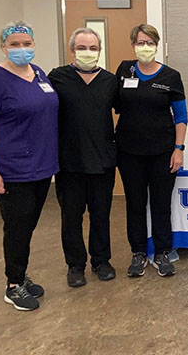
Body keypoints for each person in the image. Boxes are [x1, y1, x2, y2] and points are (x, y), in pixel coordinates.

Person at [0, 21, 58, 311]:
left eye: (26, 43)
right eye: (14, 44)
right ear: (3, 46)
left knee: (28, 226)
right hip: (12, 170)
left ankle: (22, 274)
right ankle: (14, 284)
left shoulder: (39, 73)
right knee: (17, 228)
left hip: (40, 166)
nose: (21, 49)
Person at [48, 28, 119, 288]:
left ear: (100, 51)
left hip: (102, 160)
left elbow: (126, 112)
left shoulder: (110, 81)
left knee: (101, 215)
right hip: (69, 162)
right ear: (72, 50)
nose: (87, 53)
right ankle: (75, 265)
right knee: (71, 216)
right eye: (82, 48)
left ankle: (101, 261)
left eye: (93, 48)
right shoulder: (57, 78)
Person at [115, 24, 187, 278]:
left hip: (162, 151)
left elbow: (181, 117)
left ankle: (162, 252)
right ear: (133, 44)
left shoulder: (171, 76)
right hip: (129, 152)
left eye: (149, 42)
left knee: (160, 204)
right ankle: (138, 253)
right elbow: (113, 105)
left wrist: (178, 149)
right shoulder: (125, 70)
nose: (144, 47)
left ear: (157, 45)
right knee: (134, 203)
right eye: (140, 42)